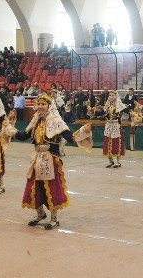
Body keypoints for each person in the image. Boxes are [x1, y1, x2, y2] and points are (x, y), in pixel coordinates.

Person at [7, 93, 86, 230]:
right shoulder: (35, 120)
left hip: (51, 158)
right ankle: (40, 214)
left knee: (51, 188)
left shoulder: (56, 120)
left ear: (49, 106)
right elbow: (23, 135)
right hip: (37, 159)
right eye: (38, 104)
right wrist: (9, 128)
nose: (40, 107)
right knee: (34, 186)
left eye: (43, 104)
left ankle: (54, 219)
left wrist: (83, 133)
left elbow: (68, 135)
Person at [95, 90, 130, 168]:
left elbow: (127, 111)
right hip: (108, 125)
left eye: (112, 95)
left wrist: (131, 110)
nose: (111, 97)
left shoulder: (120, 105)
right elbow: (103, 113)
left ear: (116, 96)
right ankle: (110, 161)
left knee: (116, 143)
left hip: (116, 126)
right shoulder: (107, 105)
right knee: (107, 142)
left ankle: (118, 161)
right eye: (110, 95)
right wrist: (97, 112)